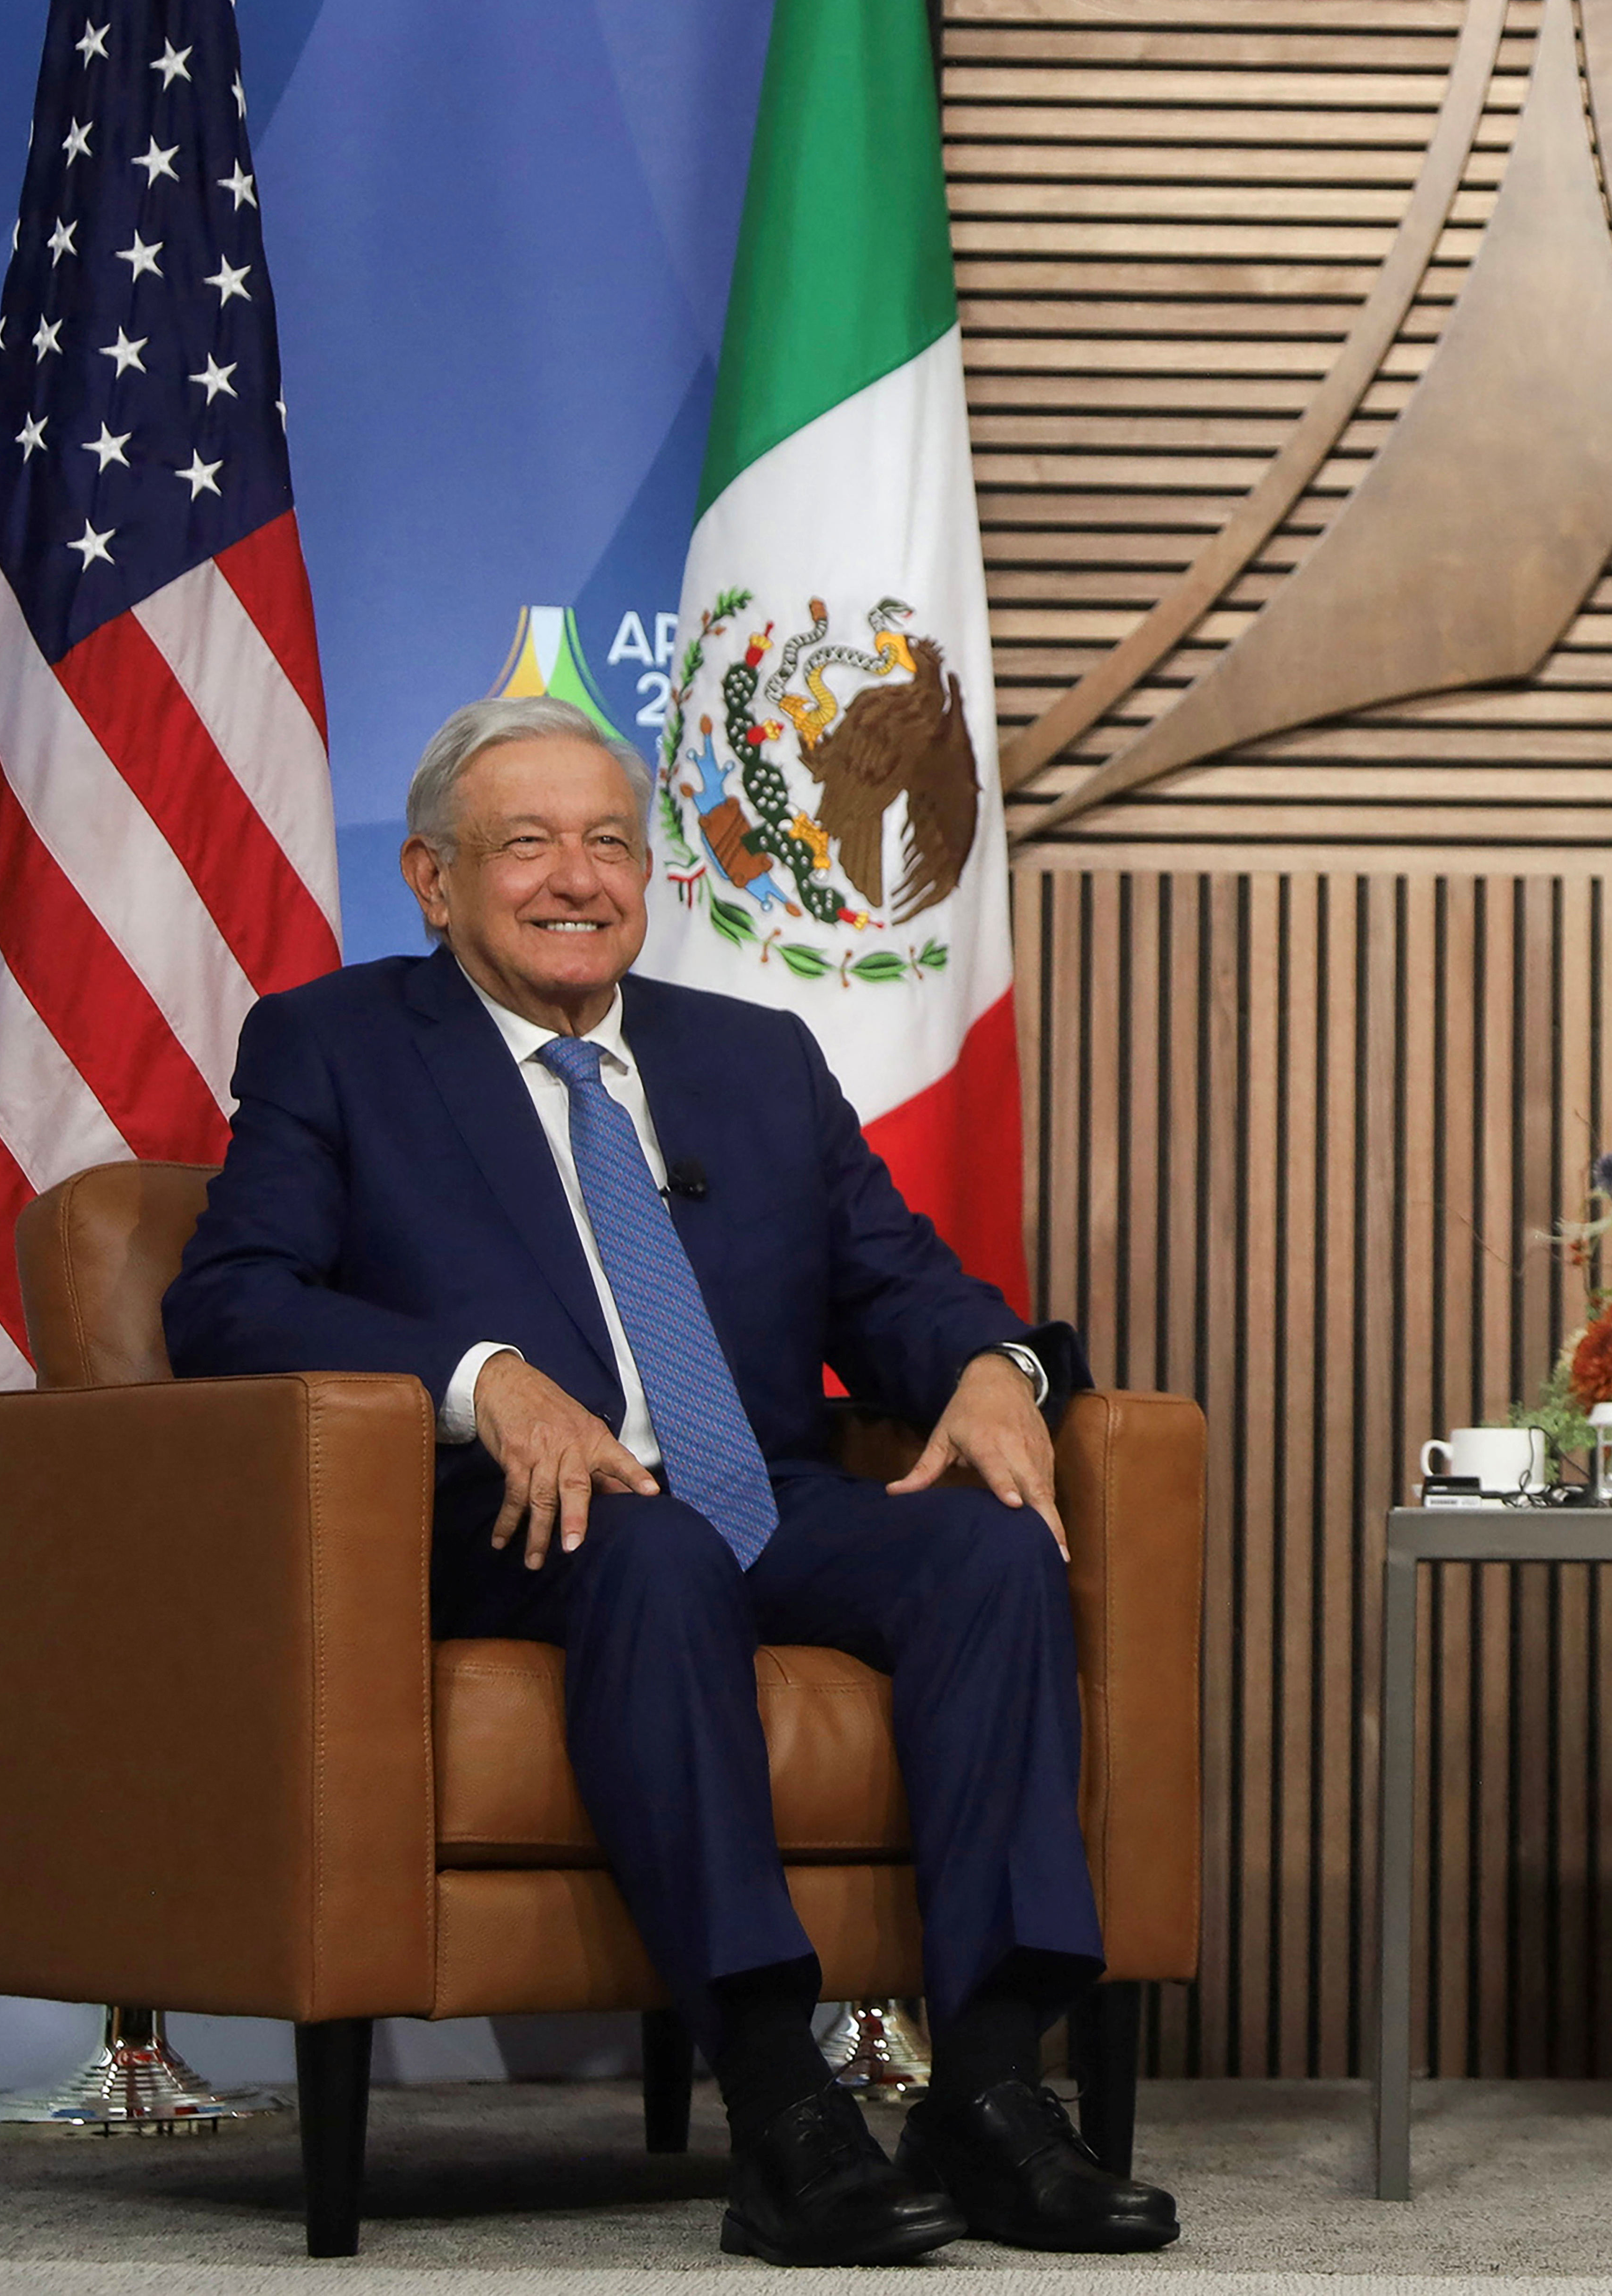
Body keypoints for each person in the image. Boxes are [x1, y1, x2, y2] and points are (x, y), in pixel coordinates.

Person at [165, 696, 1176, 2267]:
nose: (576, 877)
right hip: (516, 1520)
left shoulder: (755, 1058)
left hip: (755, 1494)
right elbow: (230, 1298)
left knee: (989, 1551)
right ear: (434, 882)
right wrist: (482, 1379)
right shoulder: (338, 1045)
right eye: (526, 845)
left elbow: (895, 1283)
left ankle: (985, 2088)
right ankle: (778, 2106)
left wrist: (998, 1368)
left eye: (611, 844)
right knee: (652, 1554)